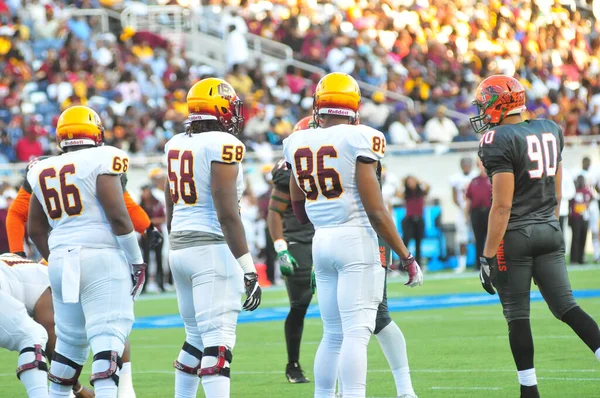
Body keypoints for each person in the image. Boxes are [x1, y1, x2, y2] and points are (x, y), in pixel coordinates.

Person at [283, 72, 423, 398]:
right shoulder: (361, 137)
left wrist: (323, 218)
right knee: (357, 333)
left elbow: (297, 204)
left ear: (319, 105)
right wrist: (406, 255)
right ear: (354, 105)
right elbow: (376, 211)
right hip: (355, 238)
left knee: (332, 333)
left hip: (321, 240)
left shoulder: (296, 141)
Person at [475, 75, 600, 398]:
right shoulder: (551, 129)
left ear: (499, 102)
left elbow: (501, 206)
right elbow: (556, 193)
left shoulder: (497, 139)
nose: (482, 109)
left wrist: (487, 256)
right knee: (567, 308)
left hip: (515, 235)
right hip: (549, 229)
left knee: (517, 316)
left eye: (485, 102)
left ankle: (529, 392)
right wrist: (546, 224)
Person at [26, 106, 147, 398]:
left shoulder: (41, 168)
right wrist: (136, 260)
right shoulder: (103, 157)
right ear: (95, 133)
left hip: (62, 259)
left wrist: (56, 256)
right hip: (101, 256)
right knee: (108, 338)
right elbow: (119, 217)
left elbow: (35, 228)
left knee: (69, 344)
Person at [165, 78, 262, 398]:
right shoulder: (223, 143)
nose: (235, 113)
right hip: (210, 247)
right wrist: (249, 268)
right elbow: (227, 212)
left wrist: (175, 238)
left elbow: (170, 200)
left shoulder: (176, 142)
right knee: (218, 343)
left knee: (195, 338)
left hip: (180, 244)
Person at [0, 254, 94, 398]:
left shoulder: (26, 269)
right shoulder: (49, 280)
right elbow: (53, 342)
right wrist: (78, 388)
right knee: (33, 336)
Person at [268, 116, 315, 383]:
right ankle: (292, 365)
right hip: (298, 240)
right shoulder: (289, 168)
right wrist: (281, 247)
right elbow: (274, 212)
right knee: (300, 304)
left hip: (327, 238)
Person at [450, 157, 477, 273]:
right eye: (464, 164)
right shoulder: (455, 178)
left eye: (468, 164)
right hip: (462, 211)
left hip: (475, 210)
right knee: (462, 238)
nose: (466, 166)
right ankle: (462, 264)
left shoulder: (476, 176)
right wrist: (462, 208)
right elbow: (455, 197)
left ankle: (479, 262)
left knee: (478, 238)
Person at [465, 159, 492, 270]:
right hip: (476, 212)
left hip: (490, 212)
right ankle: (478, 264)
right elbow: (468, 199)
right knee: (478, 239)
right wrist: (466, 215)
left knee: (491, 238)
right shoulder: (474, 181)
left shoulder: (492, 179)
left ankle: (492, 263)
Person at [139, 185, 167, 292]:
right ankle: (144, 286)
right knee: (144, 260)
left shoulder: (157, 203)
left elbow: (163, 218)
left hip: (156, 233)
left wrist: (152, 221)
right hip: (145, 234)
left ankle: (161, 284)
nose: (143, 193)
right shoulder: (140, 205)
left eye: (145, 191)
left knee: (159, 259)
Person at [574, 157, 600, 262]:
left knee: (595, 230)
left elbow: (597, 188)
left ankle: (597, 254)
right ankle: (581, 256)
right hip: (582, 205)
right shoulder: (578, 173)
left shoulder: (595, 172)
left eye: (588, 162)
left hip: (592, 204)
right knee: (582, 231)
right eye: (585, 162)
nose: (587, 164)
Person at [399, 176, 429, 266]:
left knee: (418, 243)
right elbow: (398, 195)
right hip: (409, 220)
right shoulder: (406, 193)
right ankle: (402, 264)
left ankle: (418, 263)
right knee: (405, 242)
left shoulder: (421, 191)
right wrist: (402, 184)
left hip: (419, 219)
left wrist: (419, 181)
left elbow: (428, 187)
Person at [569, 175, 593, 264]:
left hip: (585, 217)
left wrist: (587, 205)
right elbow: (570, 202)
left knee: (583, 237)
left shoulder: (587, 191)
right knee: (576, 237)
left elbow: (591, 198)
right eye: (579, 180)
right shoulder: (574, 191)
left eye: (582, 180)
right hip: (576, 217)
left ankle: (581, 258)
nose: (581, 182)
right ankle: (574, 259)